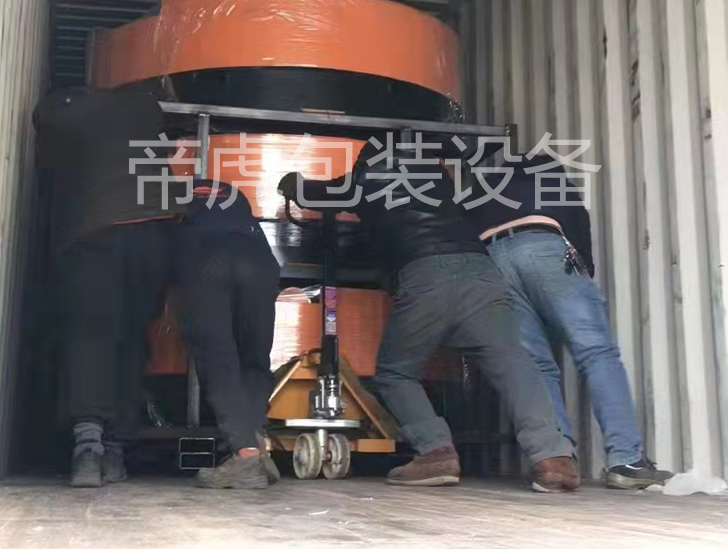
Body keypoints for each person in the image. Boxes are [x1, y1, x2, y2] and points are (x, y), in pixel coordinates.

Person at [278, 134, 578, 492]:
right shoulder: (436, 177)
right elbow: (462, 148)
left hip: (425, 274)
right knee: (514, 365)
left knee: (395, 373)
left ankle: (435, 452)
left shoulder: (361, 180)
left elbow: (310, 194)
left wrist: (291, 181)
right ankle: (553, 459)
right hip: (482, 272)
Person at [472, 155, 673, 489]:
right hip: (544, 246)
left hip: (492, 260)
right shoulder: (550, 179)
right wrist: (581, 277)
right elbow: (578, 230)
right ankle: (626, 459)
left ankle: (558, 461)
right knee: (597, 353)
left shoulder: (484, 191)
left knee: (536, 365)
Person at [35, 80, 185, 488]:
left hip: (95, 236)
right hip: (154, 235)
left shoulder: (67, 113)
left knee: (90, 336)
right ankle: (117, 450)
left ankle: (88, 447)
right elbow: (172, 111)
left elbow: (44, 125)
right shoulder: (145, 109)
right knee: (131, 339)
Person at [169, 180, 281, 490]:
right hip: (259, 259)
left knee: (219, 357)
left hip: (206, 256)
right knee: (254, 357)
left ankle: (245, 457)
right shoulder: (234, 194)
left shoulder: (167, 193)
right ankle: (257, 448)